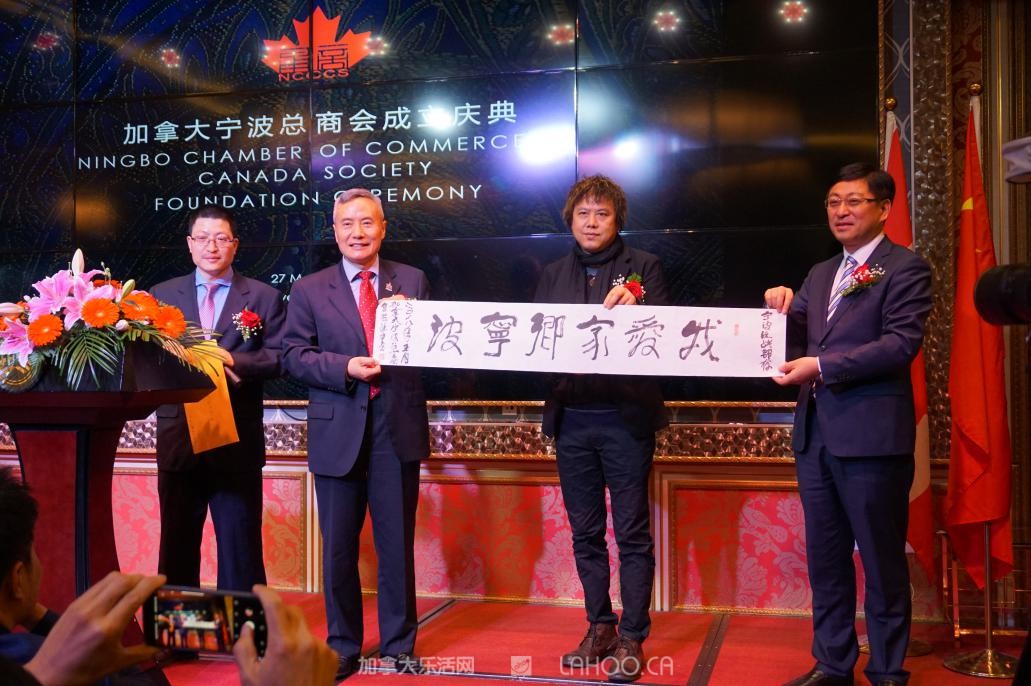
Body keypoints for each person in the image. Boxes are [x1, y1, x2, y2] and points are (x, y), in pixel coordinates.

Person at [764, 163, 932, 686]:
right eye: (834, 202)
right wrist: (777, 308)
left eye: (854, 201)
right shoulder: (820, 273)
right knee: (826, 558)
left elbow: (900, 344)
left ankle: (887, 670)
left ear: (883, 209)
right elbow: (795, 340)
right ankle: (833, 664)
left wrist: (823, 366)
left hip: (872, 439)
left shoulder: (905, 268)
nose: (841, 211)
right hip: (815, 436)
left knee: (881, 560)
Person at [282, 189, 430, 681]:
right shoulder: (309, 289)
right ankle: (343, 645)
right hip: (337, 430)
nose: (357, 233)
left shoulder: (411, 280)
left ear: (383, 228)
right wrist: (344, 367)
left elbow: (435, 347)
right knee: (339, 549)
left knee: (396, 546)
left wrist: (413, 322)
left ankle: (399, 644)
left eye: (367, 223)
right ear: (335, 231)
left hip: (395, 428)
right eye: (347, 224)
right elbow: (293, 356)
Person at [534, 175, 669, 684]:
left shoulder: (645, 268)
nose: (592, 223)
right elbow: (534, 339)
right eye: (583, 213)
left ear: (618, 220)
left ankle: (633, 634)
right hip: (571, 420)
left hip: (625, 419)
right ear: (570, 219)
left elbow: (665, 335)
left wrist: (640, 305)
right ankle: (600, 625)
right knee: (585, 532)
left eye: (602, 214)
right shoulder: (551, 274)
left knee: (631, 532)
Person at [150, 206, 286, 592]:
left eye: (221, 238)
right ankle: (177, 627)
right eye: (203, 238)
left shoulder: (264, 296)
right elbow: (147, 358)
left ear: (235, 245)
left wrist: (233, 360)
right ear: (190, 244)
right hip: (179, 439)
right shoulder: (160, 296)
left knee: (241, 550)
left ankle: (243, 626)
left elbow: (281, 358)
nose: (212, 246)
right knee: (176, 549)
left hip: (236, 443)